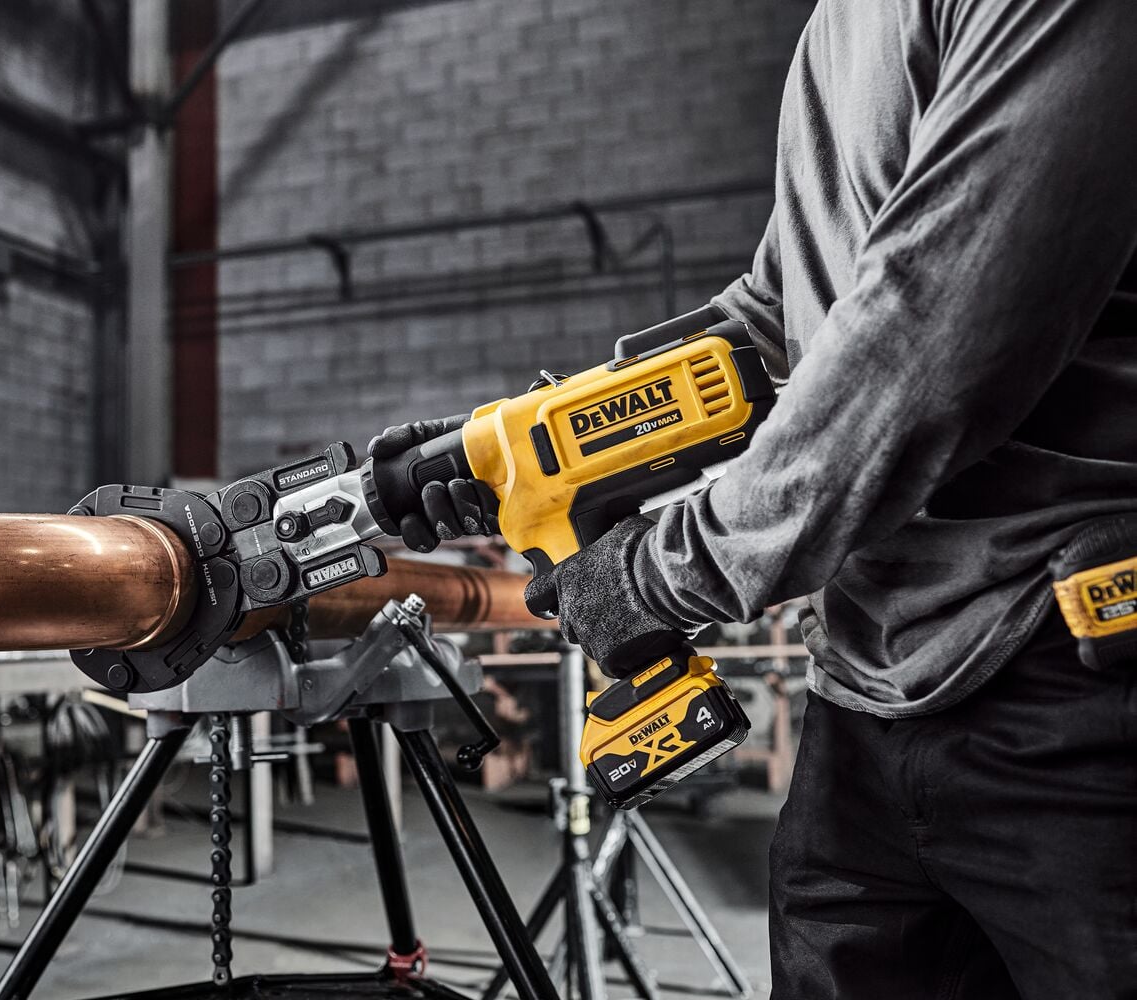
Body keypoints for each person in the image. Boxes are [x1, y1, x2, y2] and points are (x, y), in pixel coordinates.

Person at [369, 1, 1137, 995]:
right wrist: (514, 444)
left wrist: (661, 574)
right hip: (866, 687)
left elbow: (925, 343)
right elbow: (776, 310)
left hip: (1078, 687)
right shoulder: (840, 23)